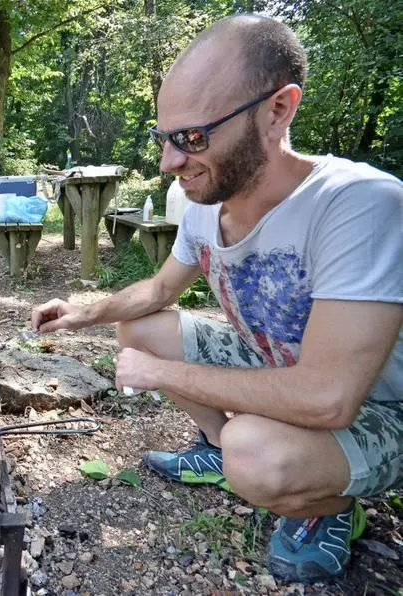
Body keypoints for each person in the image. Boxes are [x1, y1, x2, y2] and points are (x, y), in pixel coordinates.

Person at [31, 14, 401, 584]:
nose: (170, 162)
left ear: (278, 110)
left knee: (251, 450)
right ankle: (212, 445)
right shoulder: (204, 200)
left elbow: (329, 400)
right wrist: (88, 311)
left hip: (380, 410)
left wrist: (161, 375)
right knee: (144, 326)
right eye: (165, 138)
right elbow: (159, 289)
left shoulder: (359, 204)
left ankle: (330, 509)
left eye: (193, 138)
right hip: (278, 363)